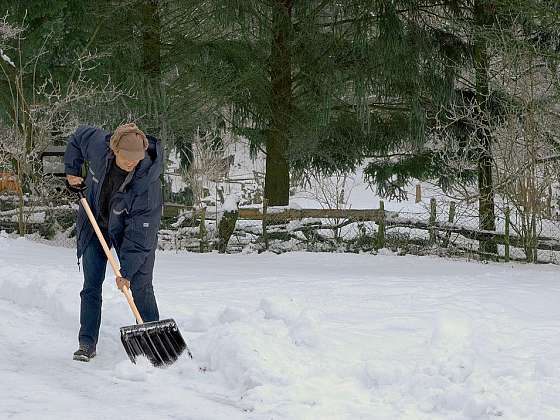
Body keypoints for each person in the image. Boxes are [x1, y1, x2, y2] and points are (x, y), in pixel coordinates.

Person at [64, 123, 163, 362]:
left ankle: (155, 346)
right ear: (113, 149)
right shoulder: (99, 146)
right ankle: (86, 343)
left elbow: (140, 238)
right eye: (127, 159)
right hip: (95, 221)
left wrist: (126, 271)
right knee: (91, 284)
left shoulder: (146, 186)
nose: (132, 164)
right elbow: (77, 137)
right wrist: (72, 170)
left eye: (136, 160)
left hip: (132, 232)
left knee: (139, 285)